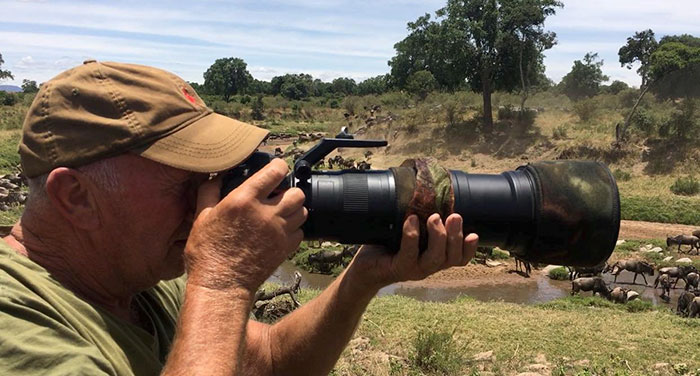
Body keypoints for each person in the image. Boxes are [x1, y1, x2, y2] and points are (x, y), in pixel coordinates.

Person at [0, 60, 479, 375]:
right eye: (187, 180)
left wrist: (363, 277)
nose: (211, 198)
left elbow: (265, 362)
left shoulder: (140, 278)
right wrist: (221, 282)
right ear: (76, 197)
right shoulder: (15, 327)